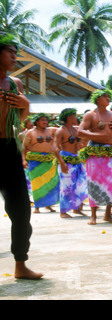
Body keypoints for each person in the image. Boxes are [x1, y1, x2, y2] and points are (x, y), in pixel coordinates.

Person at [0, 32, 43, 279]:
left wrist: (25, 106)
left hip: (9, 148)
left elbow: (22, 119)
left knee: (21, 211)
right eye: (10, 52)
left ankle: (20, 264)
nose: (14, 57)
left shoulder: (15, 84)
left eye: (16, 53)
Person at [78, 89, 112, 225]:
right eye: (104, 96)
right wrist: (100, 136)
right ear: (97, 99)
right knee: (94, 182)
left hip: (111, 151)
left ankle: (108, 214)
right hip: (95, 151)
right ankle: (93, 215)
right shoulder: (90, 115)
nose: (107, 98)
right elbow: (80, 132)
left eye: (108, 96)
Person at [53, 108, 88, 218]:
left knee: (81, 183)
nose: (76, 117)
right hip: (66, 159)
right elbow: (54, 147)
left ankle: (76, 208)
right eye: (74, 115)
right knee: (66, 186)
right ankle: (63, 211)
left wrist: (81, 143)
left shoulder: (75, 129)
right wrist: (62, 163)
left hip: (76, 159)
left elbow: (87, 134)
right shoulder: (61, 130)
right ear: (68, 117)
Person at [23, 113, 59, 213]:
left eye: (46, 120)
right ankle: (37, 206)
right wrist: (23, 159)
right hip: (35, 161)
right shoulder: (30, 132)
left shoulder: (51, 130)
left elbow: (66, 129)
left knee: (50, 183)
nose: (45, 122)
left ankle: (48, 205)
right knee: (37, 183)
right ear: (37, 122)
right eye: (42, 120)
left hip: (49, 160)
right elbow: (23, 147)